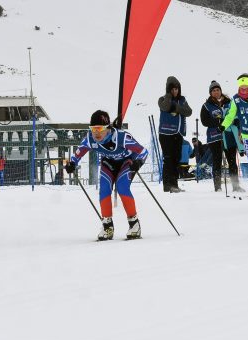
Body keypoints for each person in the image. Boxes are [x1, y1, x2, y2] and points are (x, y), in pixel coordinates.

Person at [65, 110, 148, 241]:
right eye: (93, 129)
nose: (96, 132)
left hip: (126, 163)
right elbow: (78, 153)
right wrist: (72, 163)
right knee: (104, 189)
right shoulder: (90, 139)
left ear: (107, 128)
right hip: (108, 163)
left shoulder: (121, 137)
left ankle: (134, 224)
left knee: (122, 187)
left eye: (99, 128)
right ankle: (107, 226)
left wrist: (139, 162)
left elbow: (143, 151)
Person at [200, 80, 243, 192]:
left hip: (229, 135)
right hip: (215, 136)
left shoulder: (229, 102)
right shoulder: (206, 106)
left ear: (221, 91)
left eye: (218, 90)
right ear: (210, 93)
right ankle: (218, 186)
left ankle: (236, 185)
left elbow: (237, 116)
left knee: (232, 160)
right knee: (217, 160)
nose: (216, 92)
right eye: (213, 90)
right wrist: (220, 122)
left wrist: (234, 123)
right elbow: (205, 121)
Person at [157, 76, 192, 193]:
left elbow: (189, 112)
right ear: (168, 90)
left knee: (176, 159)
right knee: (168, 159)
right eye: (172, 89)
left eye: (176, 89)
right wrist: (169, 97)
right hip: (166, 134)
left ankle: (174, 184)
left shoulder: (182, 100)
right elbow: (165, 107)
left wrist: (177, 107)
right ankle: (168, 185)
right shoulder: (162, 99)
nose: (175, 91)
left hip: (178, 134)